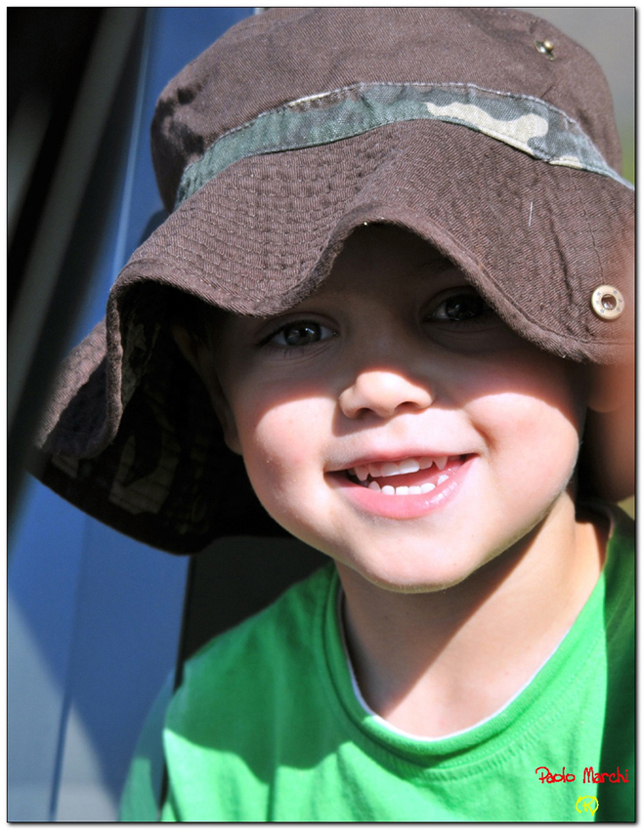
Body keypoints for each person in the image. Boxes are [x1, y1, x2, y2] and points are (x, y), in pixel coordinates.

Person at [33, 8, 634, 822]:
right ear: (220, 394)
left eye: (461, 306)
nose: (378, 389)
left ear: (595, 347)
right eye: (298, 331)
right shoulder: (209, 739)